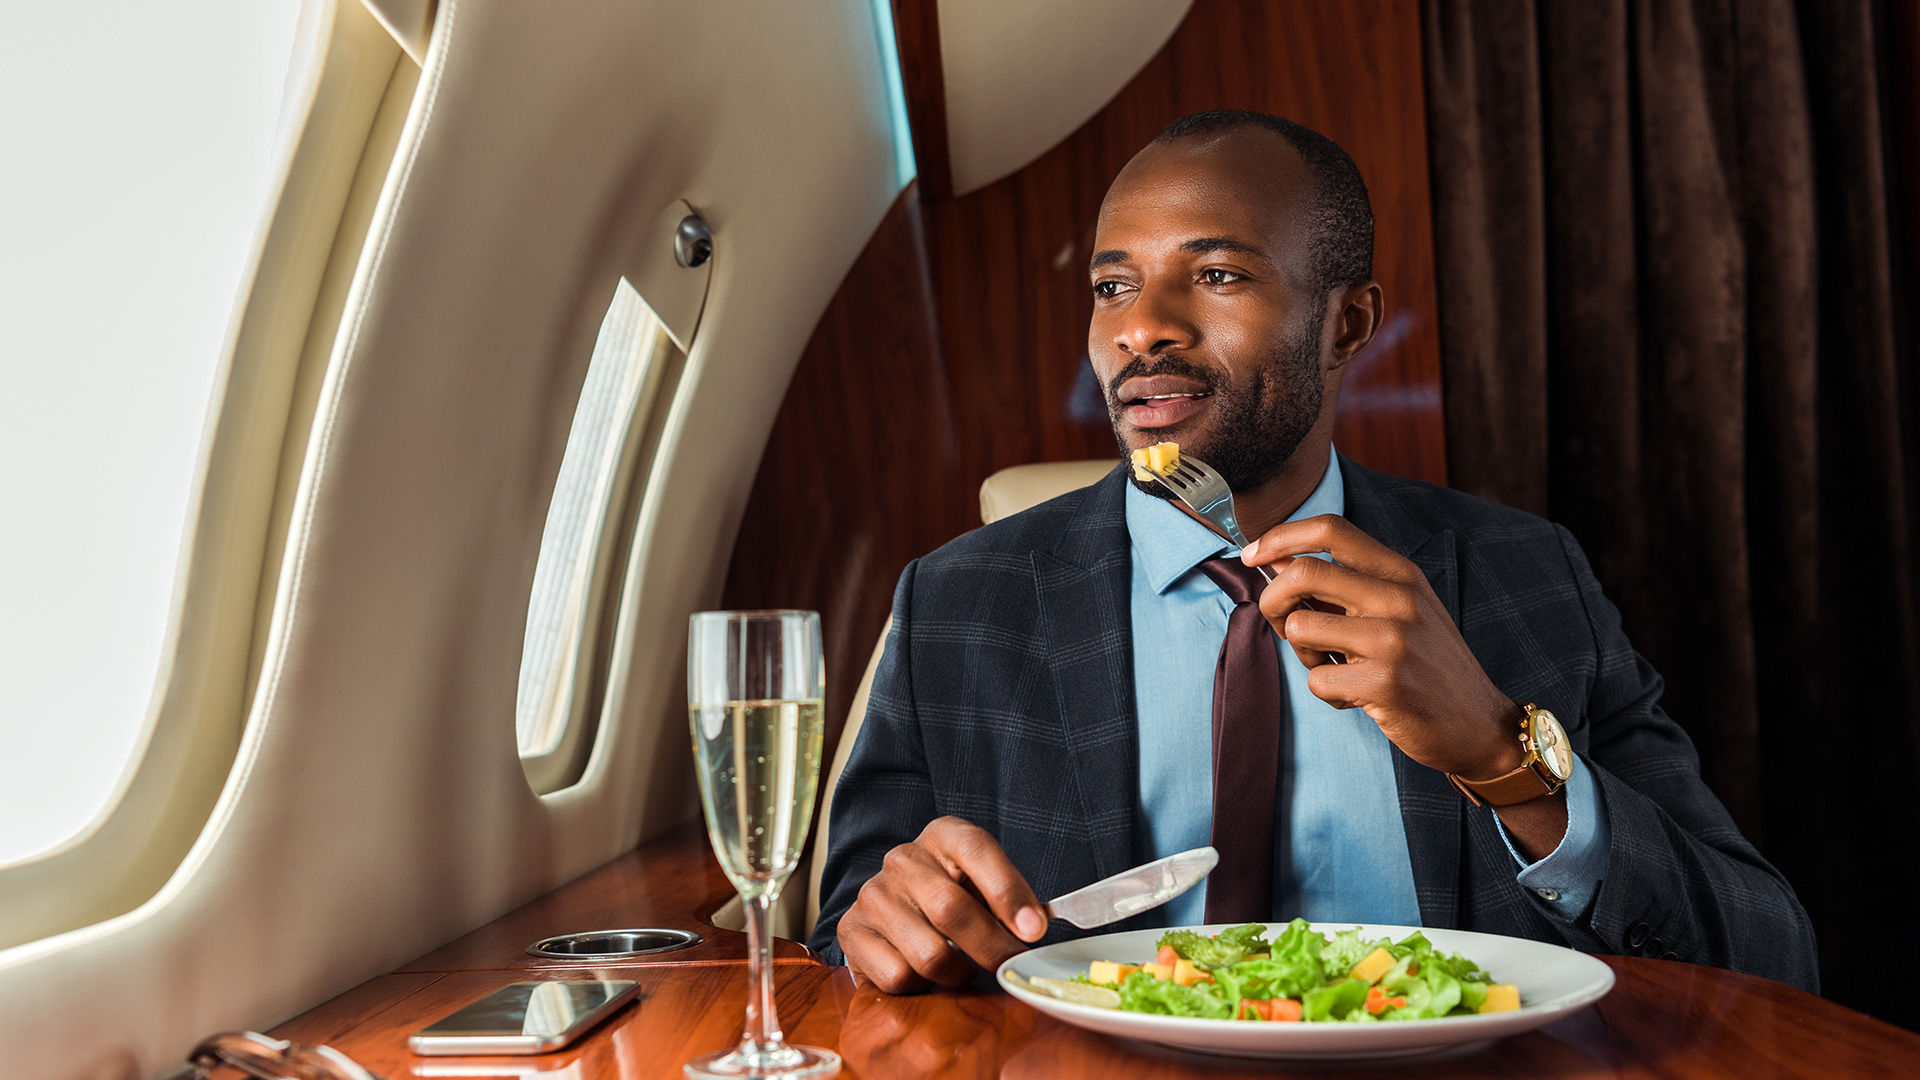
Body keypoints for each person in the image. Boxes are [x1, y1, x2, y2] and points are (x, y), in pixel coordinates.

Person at [807, 109, 1818, 995]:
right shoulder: (957, 600)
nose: (1141, 329)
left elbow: (1766, 956)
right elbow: (845, 934)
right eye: (1114, 287)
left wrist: (1502, 755)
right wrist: (886, 925)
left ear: (1349, 323)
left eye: (1214, 275)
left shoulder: (1526, 574)